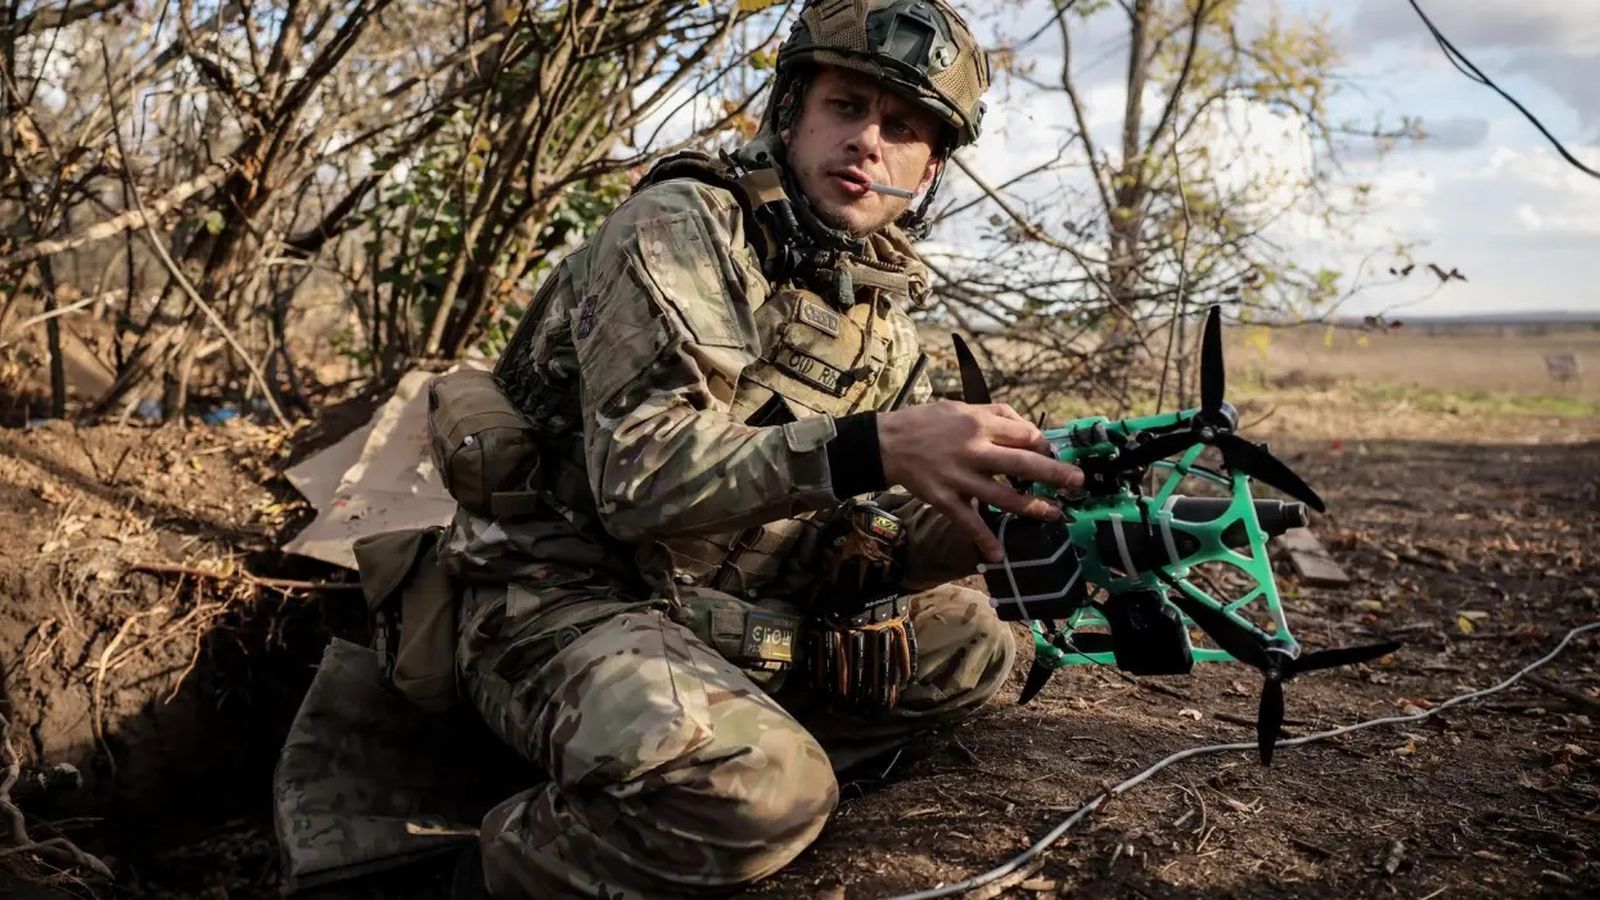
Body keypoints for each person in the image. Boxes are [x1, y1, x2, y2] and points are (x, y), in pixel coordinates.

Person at [437, 1, 1083, 896]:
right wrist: (878, 445)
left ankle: (706, 758)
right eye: (847, 107)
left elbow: (860, 535)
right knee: (767, 794)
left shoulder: (880, 325)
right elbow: (640, 479)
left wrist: (1016, 512)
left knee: (971, 649)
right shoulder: (684, 226)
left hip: (708, 608)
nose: (868, 142)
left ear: (930, 171)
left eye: (903, 130)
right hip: (555, 600)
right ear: (792, 112)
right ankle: (476, 868)